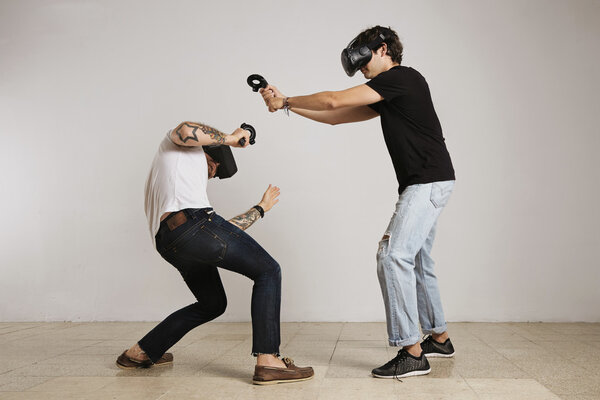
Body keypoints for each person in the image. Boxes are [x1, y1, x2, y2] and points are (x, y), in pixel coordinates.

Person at [259, 26, 456, 379]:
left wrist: (287, 101)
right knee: (417, 259)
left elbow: (334, 100)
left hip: (426, 181)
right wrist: (286, 105)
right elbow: (336, 116)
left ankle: (411, 351)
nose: (361, 68)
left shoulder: (401, 78)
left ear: (383, 50)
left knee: (392, 255)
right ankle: (438, 337)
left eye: (364, 59)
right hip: (430, 180)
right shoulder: (389, 93)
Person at [116, 121, 314, 385]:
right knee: (268, 270)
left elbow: (221, 237)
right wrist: (232, 138)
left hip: (172, 241)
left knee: (213, 304)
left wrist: (260, 208)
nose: (211, 175)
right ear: (208, 150)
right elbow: (186, 129)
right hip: (194, 226)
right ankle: (269, 360)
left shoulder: (176, 183)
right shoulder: (178, 145)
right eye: (214, 168)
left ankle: (140, 352)